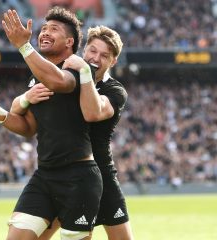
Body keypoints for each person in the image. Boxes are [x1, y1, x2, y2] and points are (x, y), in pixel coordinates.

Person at [0, 7, 102, 240]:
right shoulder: (36, 78)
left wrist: (24, 46)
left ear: (70, 41)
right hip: (45, 175)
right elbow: (29, 128)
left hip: (78, 178)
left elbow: (59, 82)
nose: (45, 33)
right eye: (44, 29)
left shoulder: (78, 69)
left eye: (54, 29)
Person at [16, 26, 134, 240]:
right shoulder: (65, 79)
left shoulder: (115, 91)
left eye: (104, 55)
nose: (95, 58)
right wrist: (22, 99)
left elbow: (93, 112)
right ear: (84, 50)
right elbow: (28, 116)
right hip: (66, 175)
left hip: (100, 176)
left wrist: (86, 73)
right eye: (92, 50)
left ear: (113, 61)